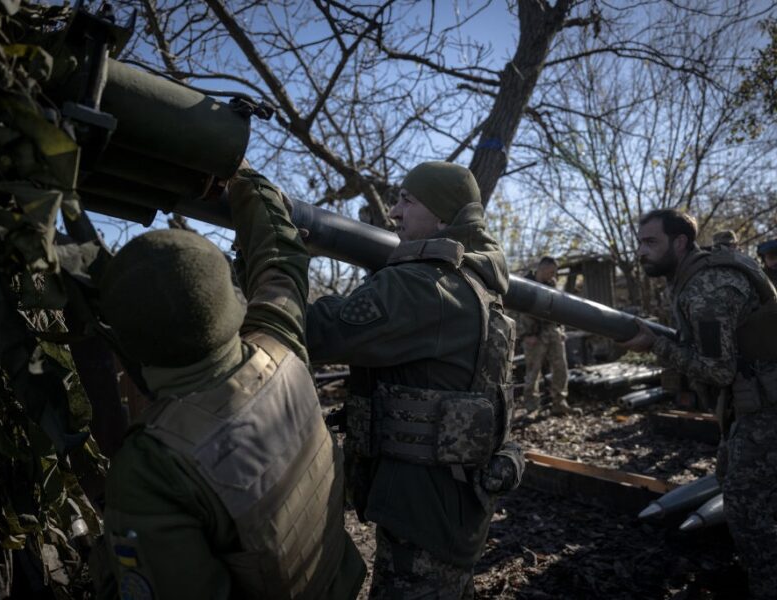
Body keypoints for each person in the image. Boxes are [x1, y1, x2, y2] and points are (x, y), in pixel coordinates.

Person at [94, 167, 365, 599]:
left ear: (126, 341)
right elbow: (281, 260)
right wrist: (246, 180)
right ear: (229, 301)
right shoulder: (279, 344)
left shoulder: (150, 468)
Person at [306, 162, 525, 599]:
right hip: (455, 504)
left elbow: (318, 331)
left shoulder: (426, 286)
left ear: (443, 217)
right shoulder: (479, 281)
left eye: (408, 200)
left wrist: (278, 257)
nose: (394, 212)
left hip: (422, 513)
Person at [620, 208, 777, 600]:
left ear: (680, 242)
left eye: (650, 242)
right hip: (753, 404)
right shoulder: (693, 276)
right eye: (639, 242)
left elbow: (718, 370)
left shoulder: (708, 288)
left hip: (768, 409)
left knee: (745, 507)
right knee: (731, 479)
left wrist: (655, 345)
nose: (641, 251)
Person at [518, 257, 579, 417]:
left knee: (561, 368)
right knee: (533, 372)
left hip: (553, 331)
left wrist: (561, 329)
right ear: (542, 269)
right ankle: (532, 407)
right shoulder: (524, 284)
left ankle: (560, 402)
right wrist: (525, 335)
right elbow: (513, 312)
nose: (553, 275)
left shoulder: (553, 285)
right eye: (551, 271)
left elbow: (559, 309)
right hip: (533, 335)